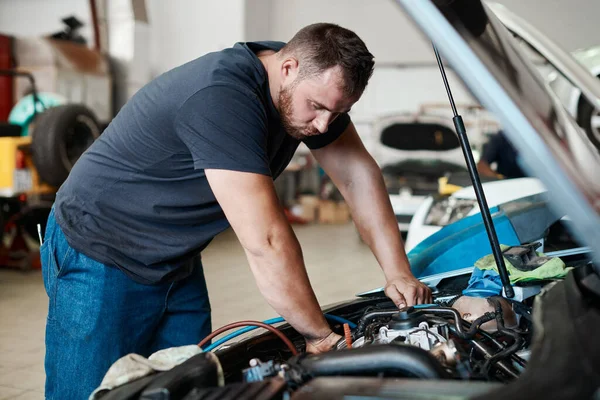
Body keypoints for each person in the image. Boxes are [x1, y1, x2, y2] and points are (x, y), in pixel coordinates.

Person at [41, 23, 432, 399]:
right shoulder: (222, 95)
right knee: (90, 395)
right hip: (98, 250)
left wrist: (397, 271)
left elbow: (357, 175)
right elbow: (266, 240)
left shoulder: (307, 80)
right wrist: (318, 336)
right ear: (289, 66)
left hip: (174, 258)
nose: (323, 124)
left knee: (189, 388)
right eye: (316, 108)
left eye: (337, 113)